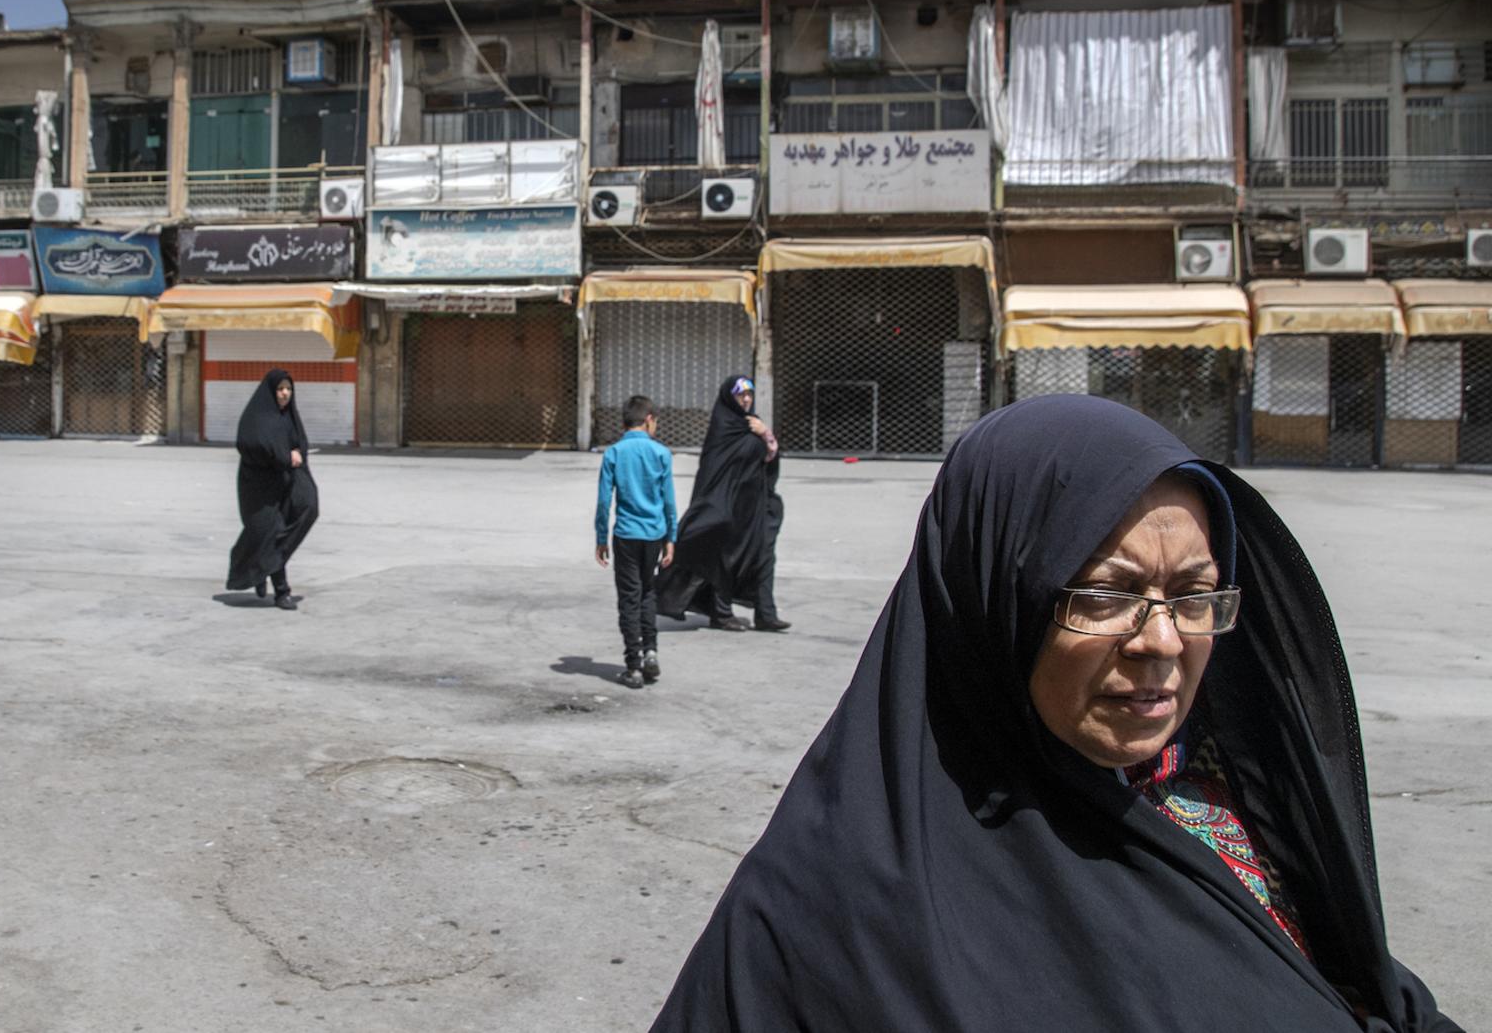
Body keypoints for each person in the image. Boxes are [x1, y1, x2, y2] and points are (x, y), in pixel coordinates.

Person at [650, 395, 1459, 1032]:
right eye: (1106, 593)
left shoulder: (1228, 798)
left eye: (1194, 595)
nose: (1163, 641)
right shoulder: (831, 910)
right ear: (999, 600)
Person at [656, 376, 789, 633]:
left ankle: (766, 614)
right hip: (727, 509)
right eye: (741, 395)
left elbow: (769, 459)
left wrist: (766, 434)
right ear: (730, 397)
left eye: (749, 394)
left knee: (764, 556)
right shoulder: (723, 427)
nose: (747, 400)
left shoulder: (754, 425)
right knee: (723, 560)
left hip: (755, 508)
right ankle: (722, 613)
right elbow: (714, 471)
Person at [594, 394, 677, 689]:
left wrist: (600, 537)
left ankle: (633, 665)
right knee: (647, 592)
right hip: (654, 535)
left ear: (624, 422)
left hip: (626, 535)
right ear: (649, 419)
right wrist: (671, 537)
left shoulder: (614, 453)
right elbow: (668, 500)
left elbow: (605, 501)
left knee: (629, 597)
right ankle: (651, 651)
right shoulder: (661, 454)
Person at [225, 368, 318, 611]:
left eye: (288, 389)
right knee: (270, 531)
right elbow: (250, 443)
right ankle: (281, 592)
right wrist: (285, 456)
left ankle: (262, 567)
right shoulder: (257, 416)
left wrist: (295, 455)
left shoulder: (290, 416)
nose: (285, 393)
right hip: (259, 487)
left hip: (286, 481)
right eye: (280, 389)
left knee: (309, 507)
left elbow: (301, 444)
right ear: (271, 391)